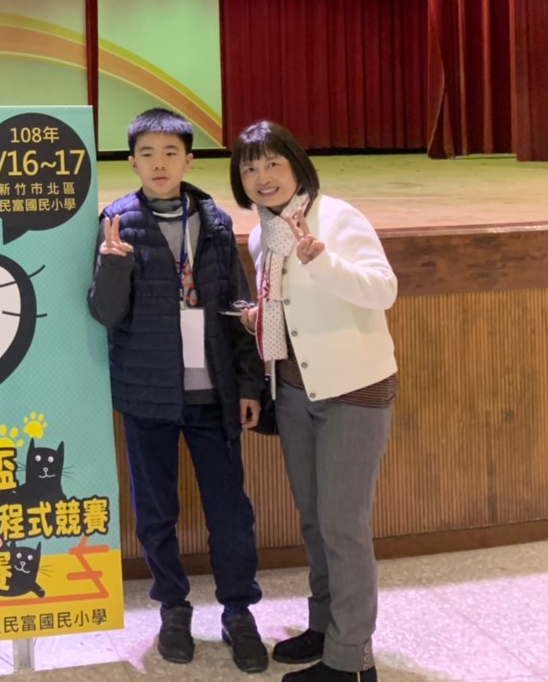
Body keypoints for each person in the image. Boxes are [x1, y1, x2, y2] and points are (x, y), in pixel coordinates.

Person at [89, 108, 269, 674]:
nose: (159, 164)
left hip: (213, 395)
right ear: (131, 162)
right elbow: (105, 313)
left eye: (170, 153)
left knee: (230, 512)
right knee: (156, 512)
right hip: (148, 395)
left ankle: (238, 611)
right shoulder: (116, 222)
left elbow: (239, 308)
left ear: (189, 160)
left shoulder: (213, 222)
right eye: (147, 154)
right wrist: (112, 266)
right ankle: (172, 608)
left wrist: (248, 384)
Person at [230, 121, 398, 682]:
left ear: (297, 165)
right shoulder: (264, 234)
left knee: (343, 525)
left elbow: (384, 290)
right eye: (250, 168)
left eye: (272, 163)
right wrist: (260, 318)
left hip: (353, 391)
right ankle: (326, 627)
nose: (262, 177)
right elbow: (294, 309)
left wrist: (321, 261)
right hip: (296, 390)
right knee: (314, 521)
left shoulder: (337, 218)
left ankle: (352, 661)